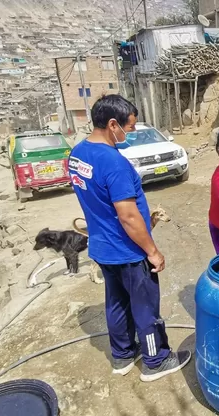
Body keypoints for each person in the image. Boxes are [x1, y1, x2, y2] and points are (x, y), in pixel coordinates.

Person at [69, 94, 190, 382]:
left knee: (116, 303)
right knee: (145, 308)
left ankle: (122, 356)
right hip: (128, 251)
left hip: (102, 248)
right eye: (130, 127)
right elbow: (128, 216)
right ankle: (156, 360)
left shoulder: (77, 155)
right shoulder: (114, 163)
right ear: (113, 125)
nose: (131, 132)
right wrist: (152, 251)